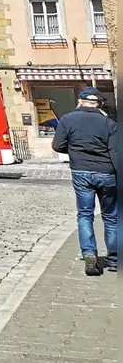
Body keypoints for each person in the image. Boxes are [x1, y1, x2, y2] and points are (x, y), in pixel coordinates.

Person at [52, 87, 118, 275]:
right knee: (111, 217)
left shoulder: (68, 119)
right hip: (106, 173)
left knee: (85, 215)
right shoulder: (109, 123)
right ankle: (114, 260)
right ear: (99, 104)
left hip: (81, 172)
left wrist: (75, 151)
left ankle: (89, 254)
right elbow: (115, 152)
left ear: (80, 102)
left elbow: (57, 145)